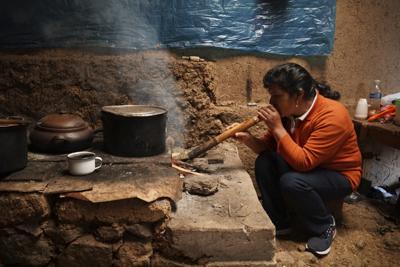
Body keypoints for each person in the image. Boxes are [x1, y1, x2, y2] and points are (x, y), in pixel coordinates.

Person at [233, 63, 362, 256]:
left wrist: (277, 128)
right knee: (265, 161)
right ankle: (281, 222)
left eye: (277, 96)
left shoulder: (333, 115)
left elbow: (304, 162)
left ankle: (325, 226)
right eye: (271, 95)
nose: (271, 101)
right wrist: (248, 139)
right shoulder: (289, 113)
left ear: (298, 95)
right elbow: (269, 148)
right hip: (309, 170)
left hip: (339, 175)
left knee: (292, 182)